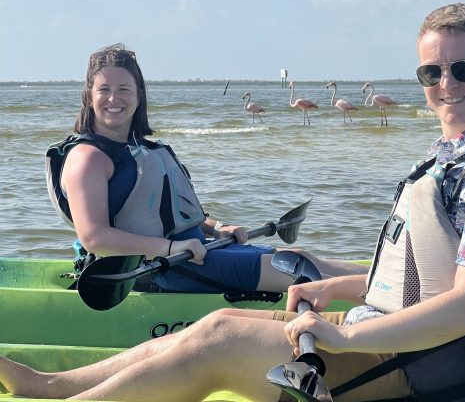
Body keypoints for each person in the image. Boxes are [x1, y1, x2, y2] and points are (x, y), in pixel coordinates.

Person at [2, 4, 465, 401]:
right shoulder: (456, 157)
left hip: (430, 371)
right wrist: (333, 289)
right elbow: (419, 280)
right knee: (224, 317)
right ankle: (53, 386)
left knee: (222, 339)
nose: (445, 82)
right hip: (398, 340)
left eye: (463, 68)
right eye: (431, 70)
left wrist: (346, 338)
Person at [45, 44, 365, 295]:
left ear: (139, 95)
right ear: (89, 96)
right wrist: (172, 248)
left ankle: (402, 290)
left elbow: (171, 213)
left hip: (195, 253)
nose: (114, 98)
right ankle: (390, 315)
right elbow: (94, 238)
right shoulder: (87, 158)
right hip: (155, 267)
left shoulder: (142, 150)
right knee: (298, 271)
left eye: (124, 89)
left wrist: (217, 228)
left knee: (303, 258)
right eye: (104, 90)